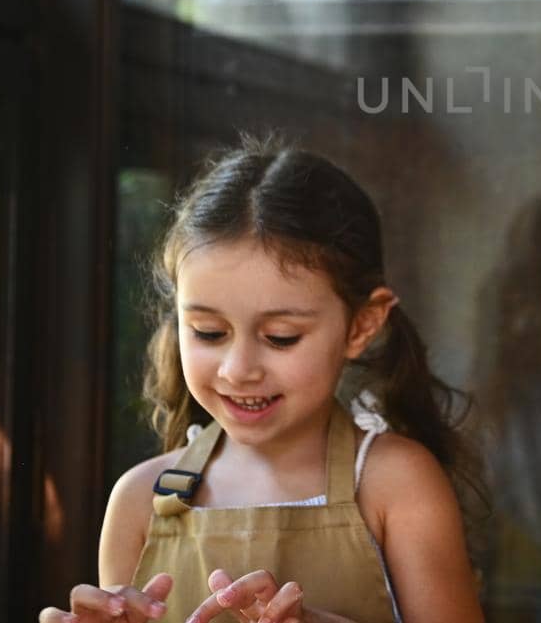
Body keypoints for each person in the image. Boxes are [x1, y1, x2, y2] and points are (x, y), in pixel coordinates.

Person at [39, 139, 484, 623]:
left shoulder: (394, 484)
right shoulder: (138, 500)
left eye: (280, 337)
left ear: (361, 325)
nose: (237, 369)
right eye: (209, 332)